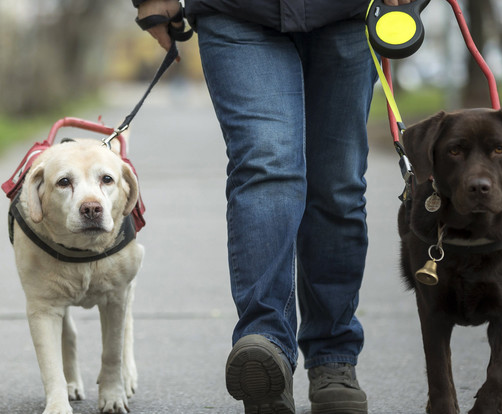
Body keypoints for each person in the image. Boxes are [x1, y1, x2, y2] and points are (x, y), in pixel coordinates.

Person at [132, 0, 413, 412]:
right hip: (236, 11)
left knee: (337, 185)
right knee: (267, 165)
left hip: (348, 14)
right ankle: (268, 349)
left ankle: (333, 358)